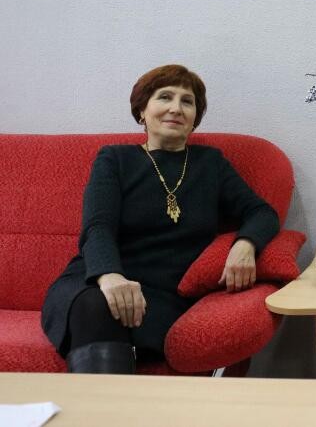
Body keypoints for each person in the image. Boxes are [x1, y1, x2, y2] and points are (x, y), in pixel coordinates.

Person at [41, 65, 280, 373]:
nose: (176, 108)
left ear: (195, 117)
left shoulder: (211, 165)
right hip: (97, 280)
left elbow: (262, 213)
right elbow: (97, 227)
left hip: (163, 296)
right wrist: (110, 276)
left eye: (187, 101)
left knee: (118, 314)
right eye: (165, 97)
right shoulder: (114, 159)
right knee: (98, 305)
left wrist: (245, 244)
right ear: (142, 111)